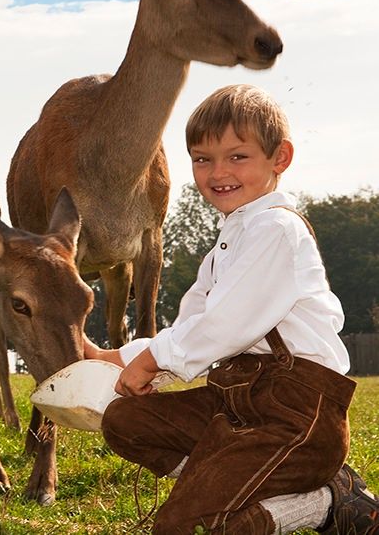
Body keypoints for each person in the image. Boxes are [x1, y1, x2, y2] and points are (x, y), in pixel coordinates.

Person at [84, 84, 379, 534]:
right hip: (235, 404)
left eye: (237, 157)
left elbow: (226, 326)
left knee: (196, 525)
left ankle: (320, 501)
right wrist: (116, 358)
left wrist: (153, 360)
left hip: (296, 418)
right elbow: (191, 327)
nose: (217, 171)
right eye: (202, 159)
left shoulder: (277, 230)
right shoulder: (227, 243)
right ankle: (234, 478)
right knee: (125, 420)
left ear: (279, 158)